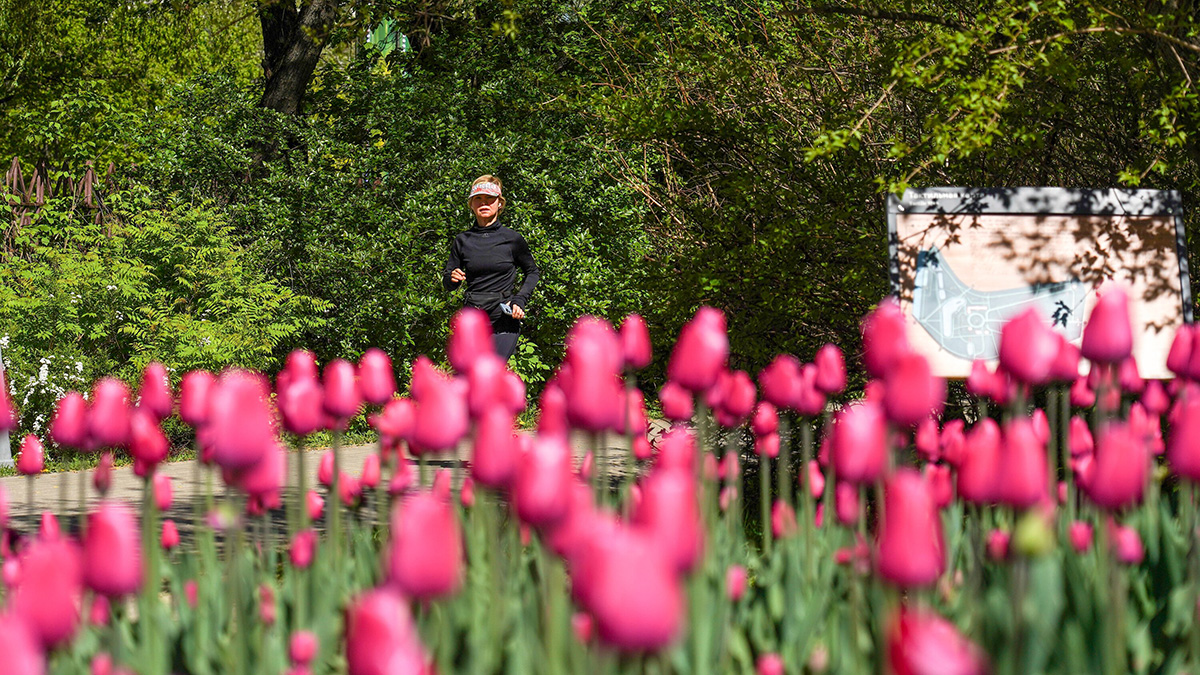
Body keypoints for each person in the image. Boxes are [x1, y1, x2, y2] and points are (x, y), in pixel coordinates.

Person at [442, 175, 540, 361]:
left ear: (500, 203)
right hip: (473, 318)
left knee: (491, 369)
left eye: (490, 199)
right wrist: (452, 278)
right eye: (478, 198)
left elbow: (532, 272)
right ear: (471, 205)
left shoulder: (512, 239)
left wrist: (520, 299)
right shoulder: (462, 240)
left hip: (503, 318)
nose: (484, 203)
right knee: (469, 372)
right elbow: (448, 283)